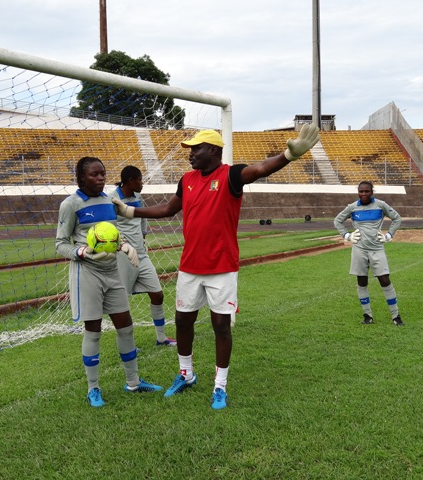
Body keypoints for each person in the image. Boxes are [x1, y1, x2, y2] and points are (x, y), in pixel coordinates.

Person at [112, 124, 320, 410]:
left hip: (222, 268)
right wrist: (130, 211)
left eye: (195, 149)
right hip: (190, 266)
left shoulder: (231, 176)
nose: (190, 154)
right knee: (183, 321)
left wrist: (288, 156)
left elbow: (260, 169)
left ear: (213, 150)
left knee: (221, 326)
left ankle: (220, 386)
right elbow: (168, 209)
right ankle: (186, 374)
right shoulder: (187, 179)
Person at [55, 156, 163, 408]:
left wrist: (124, 245)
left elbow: (113, 234)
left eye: (102, 173)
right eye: (94, 174)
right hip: (87, 273)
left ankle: (133, 382)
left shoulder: (109, 202)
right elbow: (60, 244)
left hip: (112, 271)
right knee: (93, 330)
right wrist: (82, 252)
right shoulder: (70, 205)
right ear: (81, 178)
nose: (100, 178)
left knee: (125, 326)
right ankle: (93, 388)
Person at [113, 165, 176, 347]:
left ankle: (161, 338)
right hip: (123, 255)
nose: (142, 183)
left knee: (157, 294)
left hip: (141, 254)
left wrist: (143, 236)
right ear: (130, 181)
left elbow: (142, 219)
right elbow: (109, 226)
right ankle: (128, 345)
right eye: (139, 180)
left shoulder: (137, 197)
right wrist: (122, 246)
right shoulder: (112, 199)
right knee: (122, 302)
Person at [334, 180, 404, 326]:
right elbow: (337, 221)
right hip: (359, 249)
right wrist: (347, 236)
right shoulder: (352, 207)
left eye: (367, 191)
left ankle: (396, 316)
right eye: (361, 191)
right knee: (362, 281)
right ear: (358, 192)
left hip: (377, 248)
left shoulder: (380, 205)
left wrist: (389, 235)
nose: (364, 194)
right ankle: (367, 315)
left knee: (384, 280)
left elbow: (397, 218)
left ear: (372, 192)